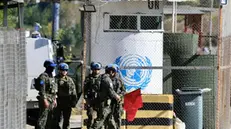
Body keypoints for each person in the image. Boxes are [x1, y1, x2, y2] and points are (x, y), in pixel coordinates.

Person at [90, 64, 121, 129]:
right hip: (105, 103)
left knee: (110, 120)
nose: (115, 73)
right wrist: (117, 96)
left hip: (106, 103)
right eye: (114, 72)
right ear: (111, 71)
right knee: (101, 120)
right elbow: (110, 90)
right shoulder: (107, 79)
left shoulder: (102, 77)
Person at [54, 63, 77, 129]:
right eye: (63, 70)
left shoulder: (69, 80)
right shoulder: (55, 79)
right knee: (57, 119)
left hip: (67, 102)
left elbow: (73, 91)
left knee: (67, 119)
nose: (64, 72)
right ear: (59, 70)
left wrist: (74, 101)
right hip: (58, 101)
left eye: (66, 70)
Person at [37, 59, 58, 129]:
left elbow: (54, 90)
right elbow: (42, 90)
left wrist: (55, 99)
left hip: (51, 100)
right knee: (43, 119)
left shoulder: (51, 76)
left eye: (53, 67)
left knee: (50, 119)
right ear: (47, 67)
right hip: (45, 100)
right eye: (51, 67)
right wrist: (45, 100)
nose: (53, 68)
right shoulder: (43, 77)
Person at [105, 64, 126, 129]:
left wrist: (119, 96)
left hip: (117, 102)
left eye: (113, 71)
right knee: (107, 117)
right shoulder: (105, 80)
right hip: (108, 102)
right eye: (109, 71)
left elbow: (123, 91)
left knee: (117, 117)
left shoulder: (119, 80)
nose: (111, 73)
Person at [84, 62, 103, 129]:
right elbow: (85, 90)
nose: (96, 71)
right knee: (91, 116)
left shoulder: (102, 78)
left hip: (100, 101)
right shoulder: (88, 78)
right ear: (92, 69)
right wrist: (87, 101)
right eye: (95, 69)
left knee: (100, 118)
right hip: (91, 101)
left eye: (98, 69)